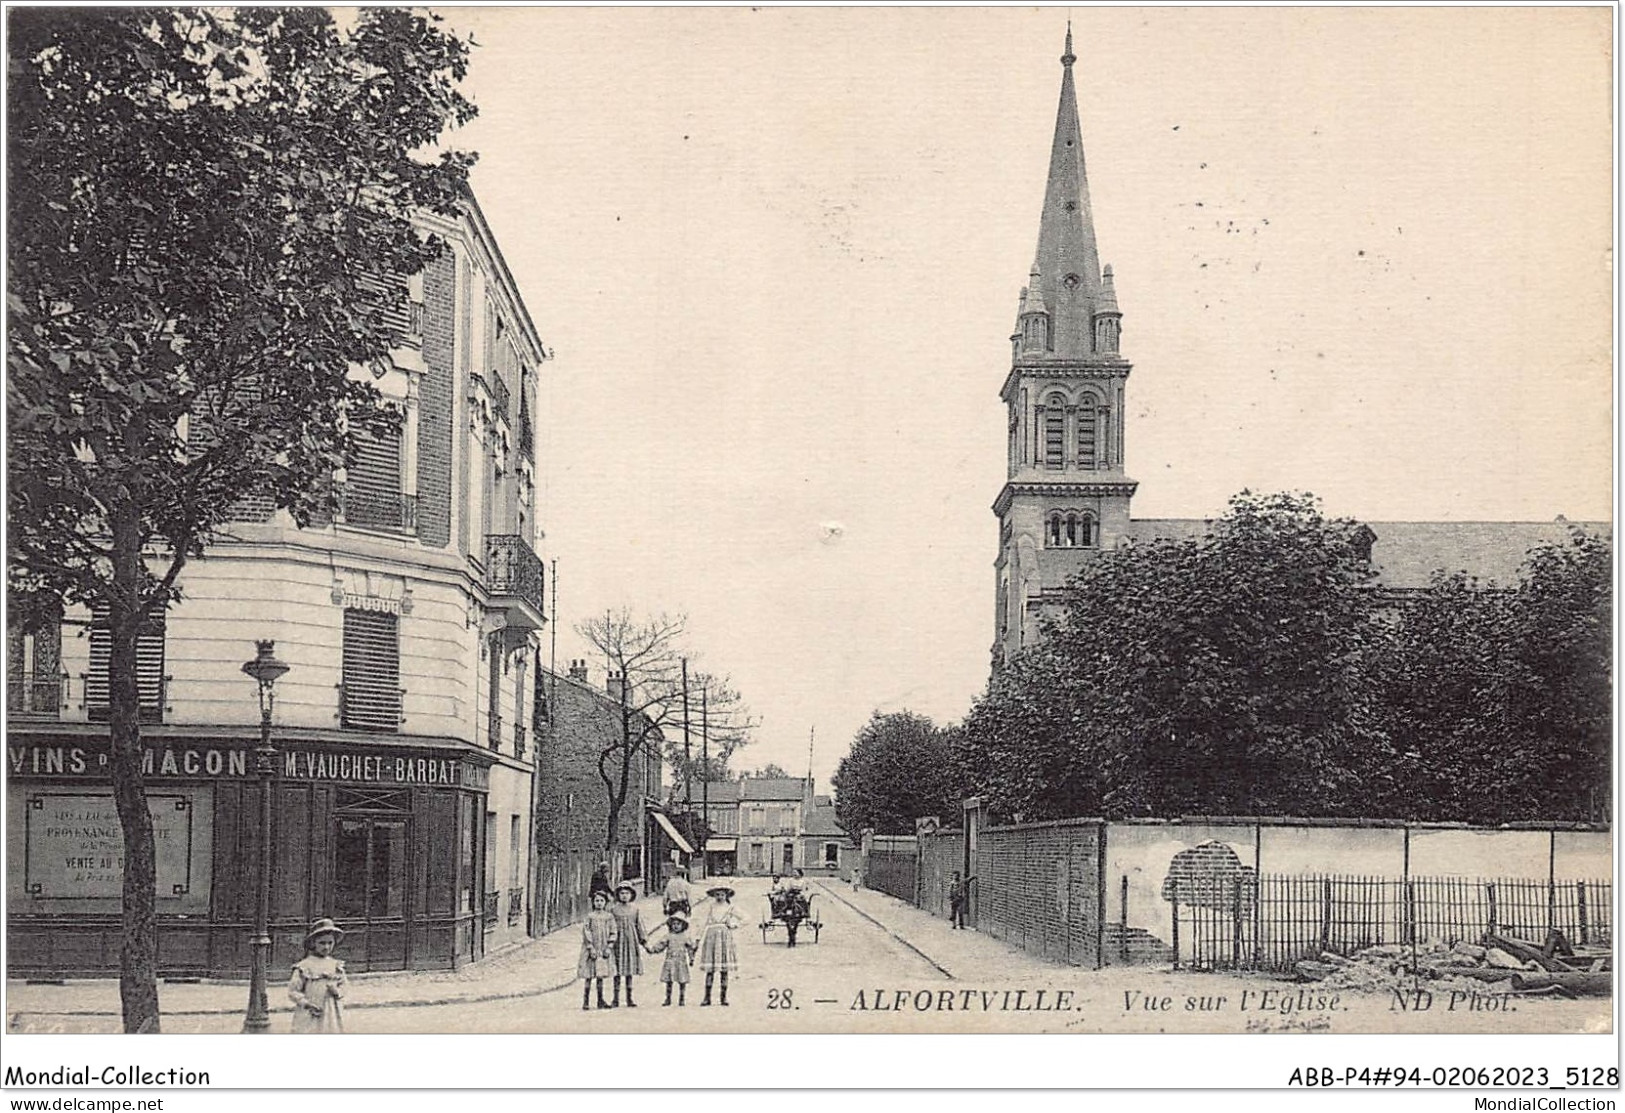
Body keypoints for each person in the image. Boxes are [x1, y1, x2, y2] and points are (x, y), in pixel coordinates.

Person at [288, 918, 347, 1033]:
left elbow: (344, 985)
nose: (326, 947)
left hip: (332, 1012)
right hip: (310, 1012)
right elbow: (293, 991)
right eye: (322, 943)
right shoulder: (305, 966)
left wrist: (337, 991)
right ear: (313, 943)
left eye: (330, 943)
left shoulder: (336, 965)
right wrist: (306, 1004)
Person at [697, 885, 742, 1006]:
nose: (719, 897)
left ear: (726, 895)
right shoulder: (710, 907)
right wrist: (697, 937)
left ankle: (723, 997)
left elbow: (746, 918)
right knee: (710, 969)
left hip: (724, 937)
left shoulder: (730, 907)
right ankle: (707, 997)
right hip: (711, 936)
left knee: (724, 969)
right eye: (717, 894)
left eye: (722, 894)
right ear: (714, 895)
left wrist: (733, 924)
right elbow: (703, 923)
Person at [644, 911, 698, 1006]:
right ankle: (668, 998)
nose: (676, 926)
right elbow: (661, 945)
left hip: (681, 961)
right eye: (674, 924)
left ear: (683, 925)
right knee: (669, 980)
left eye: (678, 924)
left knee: (682, 980)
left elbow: (690, 948)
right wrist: (652, 949)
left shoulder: (685, 937)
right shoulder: (668, 936)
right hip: (670, 961)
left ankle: (682, 998)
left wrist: (692, 958)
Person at [608, 881, 647, 1007]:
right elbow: (609, 926)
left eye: (627, 893)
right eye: (622, 893)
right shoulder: (613, 910)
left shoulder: (635, 909)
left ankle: (629, 998)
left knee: (629, 970)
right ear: (618, 895)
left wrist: (644, 941)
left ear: (631, 895)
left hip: (630, 941)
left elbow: (639, 926)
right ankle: (615, 998)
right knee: (617, 970)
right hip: (617, 943)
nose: (624, 896)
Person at [578, 890, 617, 1010]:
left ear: (605, 902)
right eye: (597, 901)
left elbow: (613, 932)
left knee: (600, 975)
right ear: (593, 902)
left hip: (603, 948)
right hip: (592, 949)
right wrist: (590, 947)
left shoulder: (609, 917)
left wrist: (609, 947)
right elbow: (586, 932)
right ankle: (586, 1001)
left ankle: (600, 1000)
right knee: (589, 975)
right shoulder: (590, 917)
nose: (599, 903)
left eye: (601, 901)